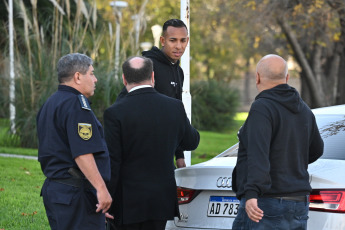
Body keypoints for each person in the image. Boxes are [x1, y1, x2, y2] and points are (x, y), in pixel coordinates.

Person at [104, 56, 200, 230]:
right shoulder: (175, 107)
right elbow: (192, 141)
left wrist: (107, 197)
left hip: (128, 201)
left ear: (124, 79)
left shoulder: (114, 112)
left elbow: (113, 161)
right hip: (161, 198)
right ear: (153, 77)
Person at [231, 54, 324, 230]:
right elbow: (317, 150)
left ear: (257, 77)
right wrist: (290, 162)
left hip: (266, 202)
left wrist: (252, 193)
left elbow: (258, 153)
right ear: (287, 78)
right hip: (298, 203)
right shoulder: (304, 110)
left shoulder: (262, 107)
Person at [36, 53, 113, 230]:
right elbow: (82, 152)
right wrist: (101, 190)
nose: (95, 79)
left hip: (58, 191)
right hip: (75, 194)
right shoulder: (76, 105)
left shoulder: (51, 102)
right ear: (78, 76)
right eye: (92, 73)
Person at [117, 19, 189, 168]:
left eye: (183, 41)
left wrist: (179, 155)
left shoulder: (178, 71)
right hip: (141, 151)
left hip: (165, 150)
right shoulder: (148, 65)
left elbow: (175, 115)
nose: (179, 46)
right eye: (173, 40)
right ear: (163, 40)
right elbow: (123, 102)